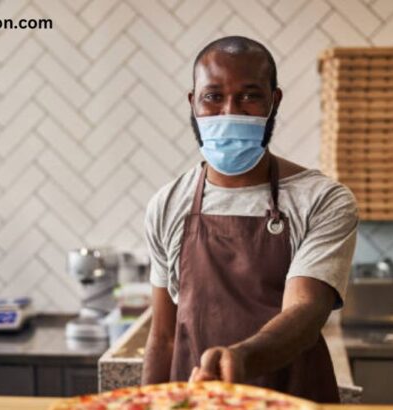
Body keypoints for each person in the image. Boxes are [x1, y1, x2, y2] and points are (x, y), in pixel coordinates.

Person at [141, 35, 358, 403]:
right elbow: (163, 335)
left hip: (293, 398)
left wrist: (242, 357)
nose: (230, 111)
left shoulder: (322, 199)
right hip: (197, 402)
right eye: (213, 96)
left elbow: (306, 311)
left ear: (273, 102)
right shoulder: (167, 204)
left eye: (249, 96)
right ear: (193, 103)